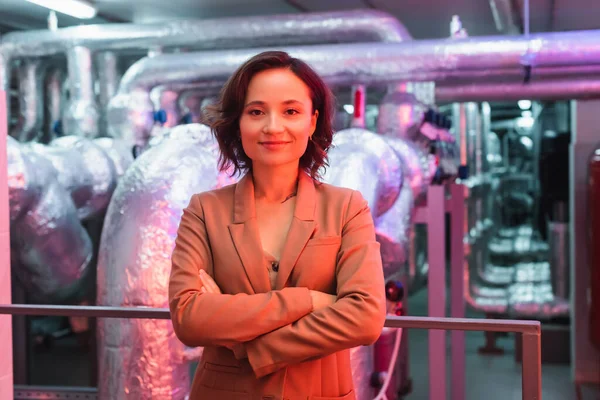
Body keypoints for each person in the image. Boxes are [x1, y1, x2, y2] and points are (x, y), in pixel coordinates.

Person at [169, 50, 386, 400]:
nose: (273, 126)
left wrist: (250, 347)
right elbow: (190, 319)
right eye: (256, 112)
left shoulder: (346, 208)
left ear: (312, 121)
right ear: (238, 122)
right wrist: (309, 300)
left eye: (291, 111)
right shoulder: (205, 211)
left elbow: (365, 316)